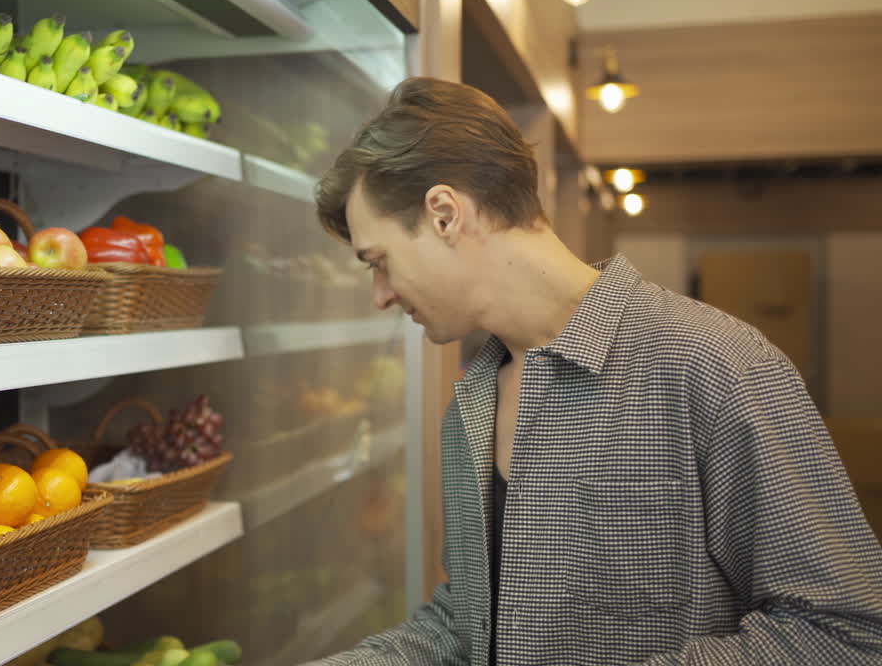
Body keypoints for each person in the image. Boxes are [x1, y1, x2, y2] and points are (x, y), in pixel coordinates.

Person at [305, 77, 882, 665]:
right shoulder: (472, 405)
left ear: (446, 214)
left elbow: (847, 632)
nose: (379, 295)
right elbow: (471, 626)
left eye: (379, 262)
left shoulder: (716, 365)